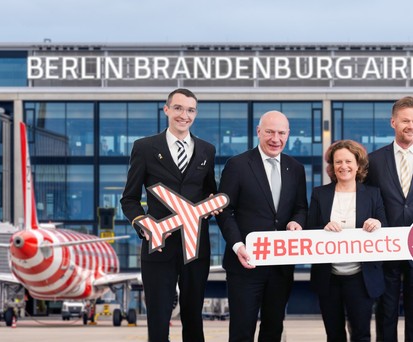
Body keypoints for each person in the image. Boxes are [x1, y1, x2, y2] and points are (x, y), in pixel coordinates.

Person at [120, 88, 217, 342]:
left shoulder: (207, 150)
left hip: (195, 247)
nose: (184, 115)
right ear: (166, 110)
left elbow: (211, 193)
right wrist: (143, 223)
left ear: (195, 114)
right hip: (158, 247)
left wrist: (211, 205)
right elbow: (129, 199)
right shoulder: (144, 148)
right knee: (159, 319)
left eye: (190, 110)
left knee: (194, 318)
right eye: (178, 108)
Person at [216, 111, 308, 341]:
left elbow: (301, 207)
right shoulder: (237, 165)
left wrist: (297, 221)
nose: (275, 138)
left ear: (288, 135)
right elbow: (225, 210)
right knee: (241, 330)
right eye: (269, 132)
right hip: (245, 264)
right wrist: (237, 246)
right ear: (259, 132)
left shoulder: (295, 168)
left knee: (273, 329)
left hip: (280, 266)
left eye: (281, 133)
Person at [308, 139, 387, 341]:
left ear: (358, 164)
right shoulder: (320, 194)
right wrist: (323, 228)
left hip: (361, 278)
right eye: (338, 162)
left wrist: (376, 224)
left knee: (361, 334)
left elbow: (385, 229)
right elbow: (309, 230)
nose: (344, 166)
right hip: (329, 277)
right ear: (332, 166)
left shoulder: (373, 194)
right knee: (334, 335)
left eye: (348, 161)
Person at [366, 96, 413, 341]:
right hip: (385, 250)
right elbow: (365, 201)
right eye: (406, 120)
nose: (411, 125)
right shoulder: (373, 161)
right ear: (393, 122)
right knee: (386, 311)